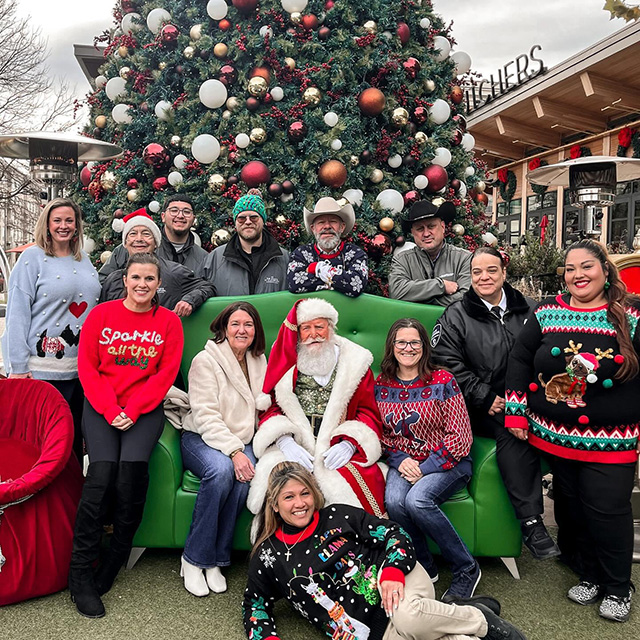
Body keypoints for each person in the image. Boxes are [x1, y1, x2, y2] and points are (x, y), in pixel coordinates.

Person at [505, 239, 640, 623]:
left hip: (612, 440)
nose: (577, 275)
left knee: (608, 510)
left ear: (605, 270)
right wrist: (516, 412)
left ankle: (618, 586)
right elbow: (519, 358)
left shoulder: (630, 315)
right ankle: (589, 574)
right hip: (557, 437)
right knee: (572, 509)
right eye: (569, 268)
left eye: (586, 267)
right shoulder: (547, 311)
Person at [244, 461, 528, 640]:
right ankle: (457, 612)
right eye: (289, 497)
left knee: (410, 617)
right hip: (372, 633)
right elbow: (255, 605)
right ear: (274, 504)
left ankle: (482, 622)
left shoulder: (337, 515)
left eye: (304, 493)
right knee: (430, 632)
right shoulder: (269, 555)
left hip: (399, 583)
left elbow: (395, 533)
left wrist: (392, 571)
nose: (300, 503)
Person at [69, 253, 183, 618]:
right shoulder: (101, 315)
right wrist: (109, 409)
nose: (142, 285)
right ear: (125, 279)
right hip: (102, 406)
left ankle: (114, 558)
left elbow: (164, 374)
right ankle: (79, 573)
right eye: (136, 277)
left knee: (130, 476)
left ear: (158, 284)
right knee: (101, 475)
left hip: (144, 409)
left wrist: (132, 410)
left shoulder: (167, 323)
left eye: (150, 279)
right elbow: (87, 367)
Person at [431, 247, 558, 561]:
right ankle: (531, 522)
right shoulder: (456, 315)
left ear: (504, 273)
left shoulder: (532, 309)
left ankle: (577, 528)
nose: (483, 277)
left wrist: (536, 399)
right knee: (510, 429)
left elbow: (550, 357)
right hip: (480, 406)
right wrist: (484, 396)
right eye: (476, 272)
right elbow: (446, 364)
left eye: (491, 270)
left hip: (532, 400)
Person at [247, 298, 386, 519]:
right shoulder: (283, 361)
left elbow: (368, 412)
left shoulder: (355, 362)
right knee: (280, 479)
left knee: (351, 485)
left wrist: (350, 444)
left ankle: (350, 544)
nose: (314, 334)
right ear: (298, 332)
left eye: (319, 326)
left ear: (330, 329)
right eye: (306, 328)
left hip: (336, 445)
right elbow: (270, 408)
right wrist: (285, 441)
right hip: (297, 443)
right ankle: (285, 546)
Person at [375, 318, 480, 602]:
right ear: (392, 346)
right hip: (404, 461)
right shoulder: (381, 383)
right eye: (401, 342)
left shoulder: (442, 380)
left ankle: (466, 568)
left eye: (414, 342)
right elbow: (379, 434)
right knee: (395, 501)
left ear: (424, 346)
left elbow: (460, 437)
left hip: (448, 461)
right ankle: (424, 566)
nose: (408, 348)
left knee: (417, 500)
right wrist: (398, 458)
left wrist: (425, 467)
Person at [180, 301, 270, 597]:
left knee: (245, 478)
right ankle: (194, 559)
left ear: (256, 331)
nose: (242, 330)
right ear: (223, 328)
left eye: (248, 325)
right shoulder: (205, 361)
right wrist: (234, 452)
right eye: (235, 324)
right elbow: (205, 415)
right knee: (220, 472)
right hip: (203, 437)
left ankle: (216, 559)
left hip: (243, 440)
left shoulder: (259, 360)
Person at [2, 197, 101, 462]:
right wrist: (18, 368)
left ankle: (71, 503)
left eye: (69, 220)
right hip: (41, 373)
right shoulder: (31, 259)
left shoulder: (85, 260)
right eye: (57, 220)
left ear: (77, 226)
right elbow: (17, 314)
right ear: (47, 224)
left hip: (80, 373)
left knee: (72, 450)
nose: (63, 226)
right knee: (44, 449)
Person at [100, 208, 215, 315]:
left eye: (146, 234)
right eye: (133, 234)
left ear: (156, 243)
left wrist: (189, 300)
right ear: (125, 243)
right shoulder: (113, 280)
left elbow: (207, 287)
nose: (139, 239)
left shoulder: (174, 272)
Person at [99, 194, 208, 282]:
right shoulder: (132, 248)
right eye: (174, 210)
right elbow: (104, 281)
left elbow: (206, 288)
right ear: (163, 217)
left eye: (186, 212)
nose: (180, 216)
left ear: (193, 219)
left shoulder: (203, 257)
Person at [203, 189, 289, 295]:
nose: (248, 222)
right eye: (241, 218)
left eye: (254, 217)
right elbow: (199, 289)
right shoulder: (214, 259)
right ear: (235, 223)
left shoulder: (284, 259)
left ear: (263, 220)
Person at [389, 199, 471, 306]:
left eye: (431, 226)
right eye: (420, 229)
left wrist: (420, 299)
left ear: (442, 227)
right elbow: (396, 292)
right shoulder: (401, 260)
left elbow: (467, 298)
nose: (426, 233)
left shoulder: (464, 258)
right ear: (413, 233)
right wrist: (440, 285)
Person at [287, 196, 368, 297]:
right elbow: (294, 283)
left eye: (333, 221)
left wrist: (318, 269)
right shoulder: (301, 253)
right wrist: (337, 282)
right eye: (321, 222)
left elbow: (356, 285)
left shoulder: (356, 253)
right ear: (313, 228)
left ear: (342, 227)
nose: (327, 226)